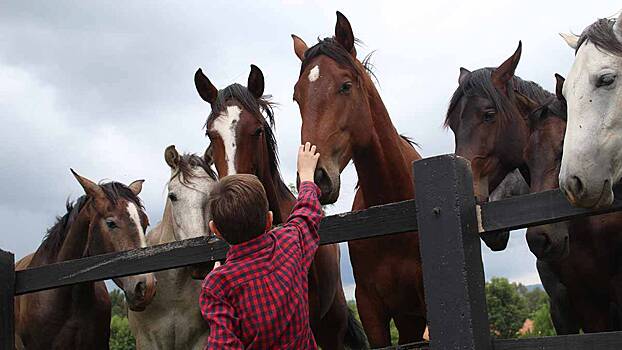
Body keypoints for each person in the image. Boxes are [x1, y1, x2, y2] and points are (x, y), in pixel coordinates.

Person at [200, 142, 324, 349]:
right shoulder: (290, 244)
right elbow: (307, 212)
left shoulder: (218, 285)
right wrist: (307, 177)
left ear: (215, 231)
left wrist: (217, 278)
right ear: (269, 220)